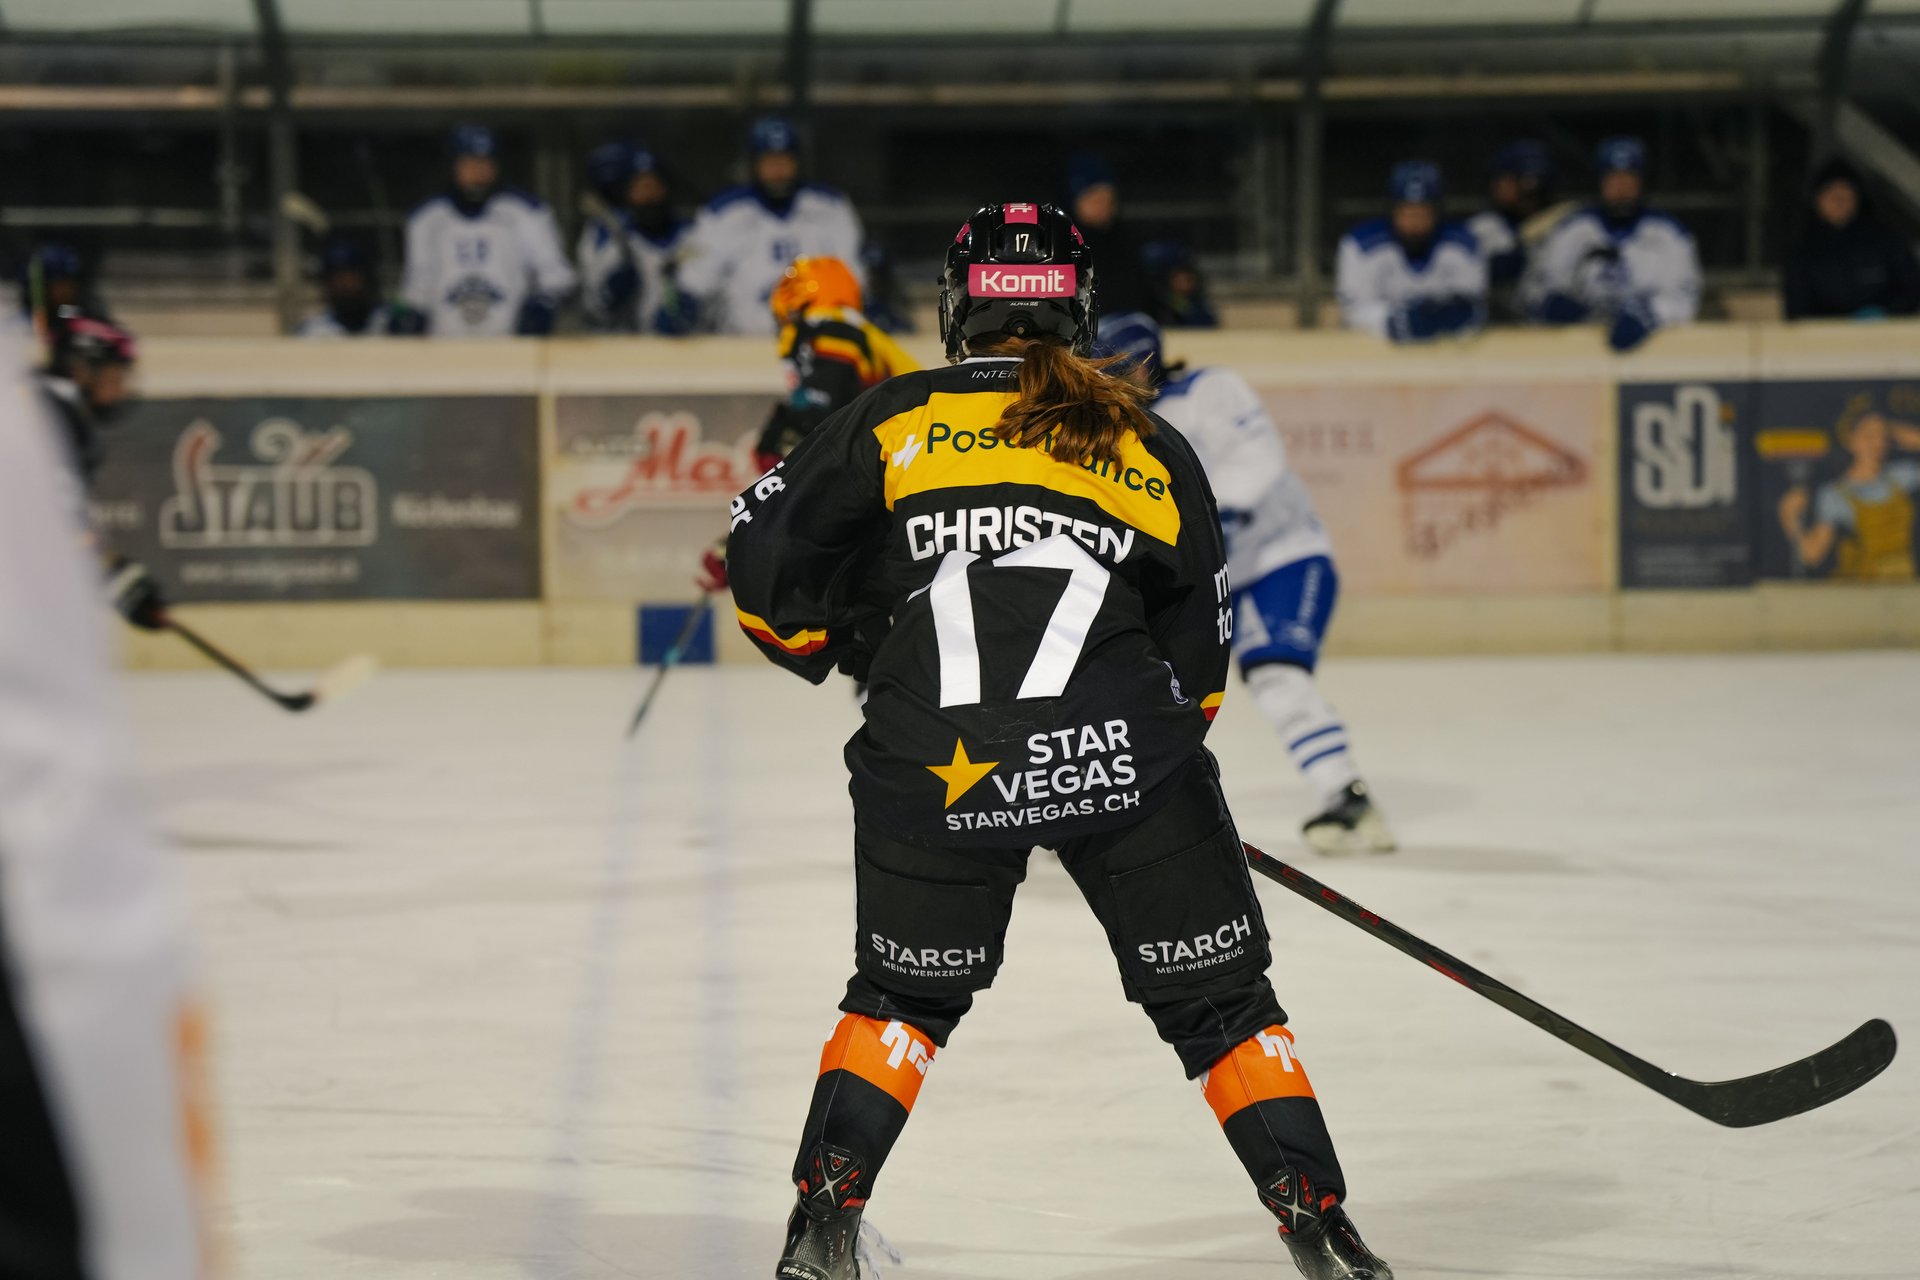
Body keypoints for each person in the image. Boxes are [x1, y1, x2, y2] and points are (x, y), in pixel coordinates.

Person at [729, 202, 1391, 1280]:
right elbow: (1199, 653)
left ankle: (822, 1224)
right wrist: (1129, 766)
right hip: (1129, 764)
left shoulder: (893, 418)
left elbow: (762, 572)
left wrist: (843, 642)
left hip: (933, 763)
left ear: (957, 306)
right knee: (1224, 1009)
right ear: (1078, 308)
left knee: (901, 1000)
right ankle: (1323, 1228)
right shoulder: (1144, 436)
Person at [1, 316, 211, 1280]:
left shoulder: (46, 410)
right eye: (116, 371)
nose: (124, 385)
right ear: (88, 368)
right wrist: (122, 582)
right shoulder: (46, 412)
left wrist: (124, 583)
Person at [1097, 312, 1395, 854]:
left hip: (1282, 556)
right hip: (1206, 575)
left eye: (1121, 367)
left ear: (1148, 361)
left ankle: (1346, 796)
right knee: (1134, 682)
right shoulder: (1112, 422)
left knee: (1276, 673)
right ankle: (1108, 805)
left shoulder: (1210, 390)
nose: (1114, 378)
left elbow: (1257, 461)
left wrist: (1206, 521)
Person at [696, 255, 918, 594]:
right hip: (911, 490)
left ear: (796, 303)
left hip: (901, 495)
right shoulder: (863, 335)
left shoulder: (832, 329)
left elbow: (815, 441)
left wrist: (745, 541)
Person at [35, 305, 171, 637]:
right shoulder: (57, 416)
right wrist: (116, 576)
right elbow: (53, 522)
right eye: (115, 376)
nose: (121, 389)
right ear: (81, 371)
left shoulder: (35, 400)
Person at [675, 117, 864, 336]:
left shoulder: (830, 207)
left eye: (784, 160)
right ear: (754, 164)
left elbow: (854, 279)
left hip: (818, 343)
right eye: (770, 161)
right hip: (740, 344)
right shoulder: (723, 213)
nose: (778, 170)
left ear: (797, 162)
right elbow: (694, 283)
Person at [1521, 135, 1701, 352]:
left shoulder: (1668, 232)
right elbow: (1533, 288)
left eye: (1628, 180)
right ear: (1601, 182)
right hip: (1577, 345)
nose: (1621, 189)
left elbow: (1685, 296)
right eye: (1613, 180)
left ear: (1641, 182)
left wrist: (1648, 315)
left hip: (1650, 350)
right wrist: (1548, 304)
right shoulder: (1572, 229)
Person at [400, 124, 577, 338]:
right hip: (443, 345)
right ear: (453, 165)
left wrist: (543, 303)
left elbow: (558, 276)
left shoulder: (526, 212)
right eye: (470, 163)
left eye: (486, 163)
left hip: (509, 345)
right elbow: (417, 285)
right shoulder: (426, 218)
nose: (479, 172)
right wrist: (408, 314)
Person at [1336, 160, 1486, 344]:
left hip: (1445, 351)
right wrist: (1395, 320)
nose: (1414, 222)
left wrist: (1442, 319)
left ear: (1437, 212)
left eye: (1422, 213)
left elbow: (1472, 309)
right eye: (1407, 213)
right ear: (1392, 211)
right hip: (1376, 350)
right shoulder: (1361, 244)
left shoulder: (1464, 245)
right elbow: (1352, 311)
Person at [1779, 397, 1920, 580]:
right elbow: (1812, 555)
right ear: (1851, 439)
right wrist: (1789, 516)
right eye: (1868, 435)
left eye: (1882, 435)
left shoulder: (1902, 476)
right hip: (1864, 585)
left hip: (1905, 579)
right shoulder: (1834, 494)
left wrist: (1893, 428)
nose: (1878, 442)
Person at [575, 139, 693, 333]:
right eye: (641, 187)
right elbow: (593, 306)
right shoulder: (610, 236)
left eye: (655, 186)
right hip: (629, 344)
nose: (650, 195)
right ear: (627, 192)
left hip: (688, 344)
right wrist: (612, 291)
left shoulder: (692, 233)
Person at [1782, 158, 1920, 321]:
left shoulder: (1887, 240)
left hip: (1884, 333)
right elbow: (1797, 311)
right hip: (1827, 335)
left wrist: (1887, 314)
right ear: (1816, 200)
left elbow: (1912, 290)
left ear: (1858, 198)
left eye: (1846, 194)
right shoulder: (1801, 251)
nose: (1839, 202)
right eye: (1831, 195)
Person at [1466, 140, 1570, 319]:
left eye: (1505, 180)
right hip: (1495, 326)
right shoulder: (1481, 228)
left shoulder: (1565, 226)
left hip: (1549, 324)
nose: (1498, 186)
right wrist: (1487, 271)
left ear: (1530, 183)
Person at [1064, 151, 1152, 316]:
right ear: (1074, 201)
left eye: (1109, 200)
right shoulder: (1062, 247)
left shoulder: (1126, 242)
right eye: (1095, 200)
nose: (1103, 207)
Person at [296, 236, 393, 338]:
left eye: (353, 277)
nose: (347, 285)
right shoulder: (313, 331)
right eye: (339, 279)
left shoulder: (388, 322)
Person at [1143, 240, 1221, 328]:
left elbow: (1206, 323)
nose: (1185, 283)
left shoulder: (1194, 302)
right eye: (1178, 279)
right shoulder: (1155, 301)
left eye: (1188, 279)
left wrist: (1180, 304)